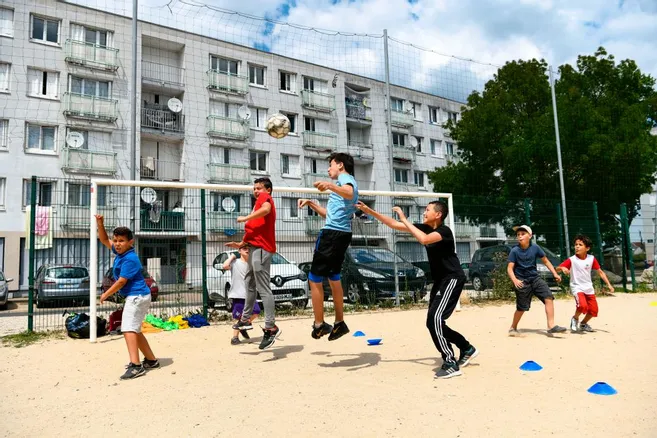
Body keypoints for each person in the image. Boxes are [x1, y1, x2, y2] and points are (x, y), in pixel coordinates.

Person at [356, 201, 477, 379]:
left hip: (452, 278)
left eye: (427, 210)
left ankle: (450, 362)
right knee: (432, 322)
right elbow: (393, 224)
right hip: (440, 281)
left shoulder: (444, 231)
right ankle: (466, 347)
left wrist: (405, 218)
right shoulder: (425, 228)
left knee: (435, 319)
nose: (424, 213)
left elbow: (424, 240)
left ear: (438, 214)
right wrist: (369, 211)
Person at [298, 152, 358, 341]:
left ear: (340, 165)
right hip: (340, 233)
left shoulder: (345, 180)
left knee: (314, 278)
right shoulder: (342, 184)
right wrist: (312, 204)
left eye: (331, 165)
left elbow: (350, 192)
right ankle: (339, 323)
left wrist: (330, 185)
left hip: (332, 236)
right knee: (333, 277)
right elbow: (331, 214)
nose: (328, 169)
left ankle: (319, 324)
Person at [95, 215, 159, 380]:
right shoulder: (119, 252)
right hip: (137, 296)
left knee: (128, 329)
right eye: (116, 240)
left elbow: (122, 281)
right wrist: (100, 223)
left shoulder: (130, 258)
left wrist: (105, 294)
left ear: (131, 242)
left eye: (121, 240)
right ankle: (151, 361)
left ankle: (136, 366)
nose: (117, 243)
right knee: (134, 330)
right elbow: (103, 239)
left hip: (137, 296)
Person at [226, 177, 280, 350]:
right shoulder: (257, 204)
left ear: (268, 190)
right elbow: (254, 230)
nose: (256, 191)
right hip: (254, 248)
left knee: (263, 287)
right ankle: (244, 319)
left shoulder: (265, 199)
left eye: (259, 188)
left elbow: (266, 209)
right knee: (249, 282)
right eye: (254, 188)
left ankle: (271, 327)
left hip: (262, 250)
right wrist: (241, 244)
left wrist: (245, 218)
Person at [507, 225, 567, 336]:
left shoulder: (535, 248)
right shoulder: (514, 251)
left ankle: (551, 326)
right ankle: (513, 327)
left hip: (535, 279)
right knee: (522, 308)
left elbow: (546, 261)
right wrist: (515, 280)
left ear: (530, 236)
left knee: (548, 297)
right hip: (522, 282)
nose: (520, 236)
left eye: (523, 234)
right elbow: (510, 268)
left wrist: (555, 273)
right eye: (518, 235)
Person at [556, 235, 614, 332]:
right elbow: (557, 269)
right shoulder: (572, 259)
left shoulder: (591, 259)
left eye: (580, 245)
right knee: (582, 306)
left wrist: (609, 284)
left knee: (593, 310)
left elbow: (600, 272)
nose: (577, 247)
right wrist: (562, 268)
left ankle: (583, 324)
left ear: (587, 248)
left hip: (588, 288)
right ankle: (575, 318)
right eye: (576, 244)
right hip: (577, 287)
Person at [222, 246, 261, 345]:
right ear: (239, 251)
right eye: (244, 248)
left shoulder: (252, 263)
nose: (247, 250)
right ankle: (234, 338)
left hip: (250, 294)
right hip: (238, 294)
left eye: (248, 248)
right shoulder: (235, 263)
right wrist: (231, 257)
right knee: (240, 317)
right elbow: (225, 266)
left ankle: (244, 325)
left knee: (256, 311)